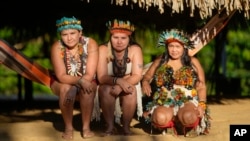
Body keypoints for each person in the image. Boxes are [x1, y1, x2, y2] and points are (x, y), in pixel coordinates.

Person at [141, 29, 211, 137]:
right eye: (171, 46)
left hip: (187, 100)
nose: (174, 50)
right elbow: (147, 76)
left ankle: (184, 124)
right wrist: (145, 82)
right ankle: (171, 124)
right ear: (167, 47)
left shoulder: (193, 62)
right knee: (159, 118)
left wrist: (202, 104)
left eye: (177, 47)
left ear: (184, 47)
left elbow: (201, 85)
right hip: (164, 99)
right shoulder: (161, 60)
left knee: (189, 117)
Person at [50, 16, 99, 140]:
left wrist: (81, 82)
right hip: (62, 82)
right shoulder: (57, 47)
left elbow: (89, 73)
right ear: (60, 35)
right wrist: (78, 81)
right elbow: (61, 76)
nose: (69, 37)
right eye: (64, 34)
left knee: (88, 89)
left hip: (87, 78)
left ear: (80, 33)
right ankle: (68, 127)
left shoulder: (90, 44)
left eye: (72, 33)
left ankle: (86, 127)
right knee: (66, 89)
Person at [97, 19, 143, 136]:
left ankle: (126, 127)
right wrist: (119, 81)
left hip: (128, 81)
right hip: (108, 83)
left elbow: (137, 75)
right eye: (115, 37)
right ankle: (110, 126)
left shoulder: (135, 50)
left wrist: (122, 85)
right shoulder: (102, 49)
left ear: (129, 38)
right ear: (110, 37)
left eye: (123, 38)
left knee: (130, 91)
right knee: (106, 90)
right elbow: (101, 77)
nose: (119, 42)